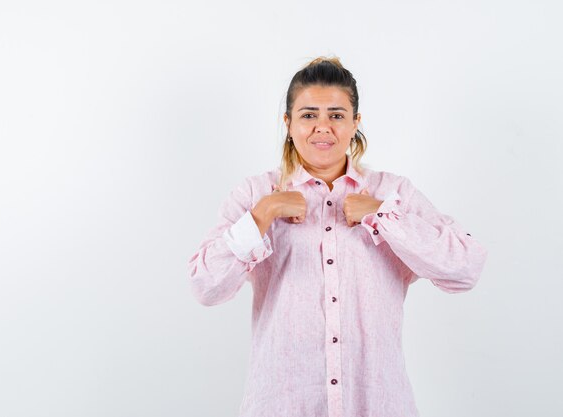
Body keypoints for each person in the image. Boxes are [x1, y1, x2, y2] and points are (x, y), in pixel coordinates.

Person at [187, 56, 488, 417]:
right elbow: (206, 287)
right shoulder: (255, 194)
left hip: (376, 404)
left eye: (337, 115)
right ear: (288, 123)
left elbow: (465, 268)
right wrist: (262, 214)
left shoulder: (393, 193)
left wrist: (384, 217)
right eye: (309, 114)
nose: (323, 127)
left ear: (355, 123)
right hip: (283, 404)